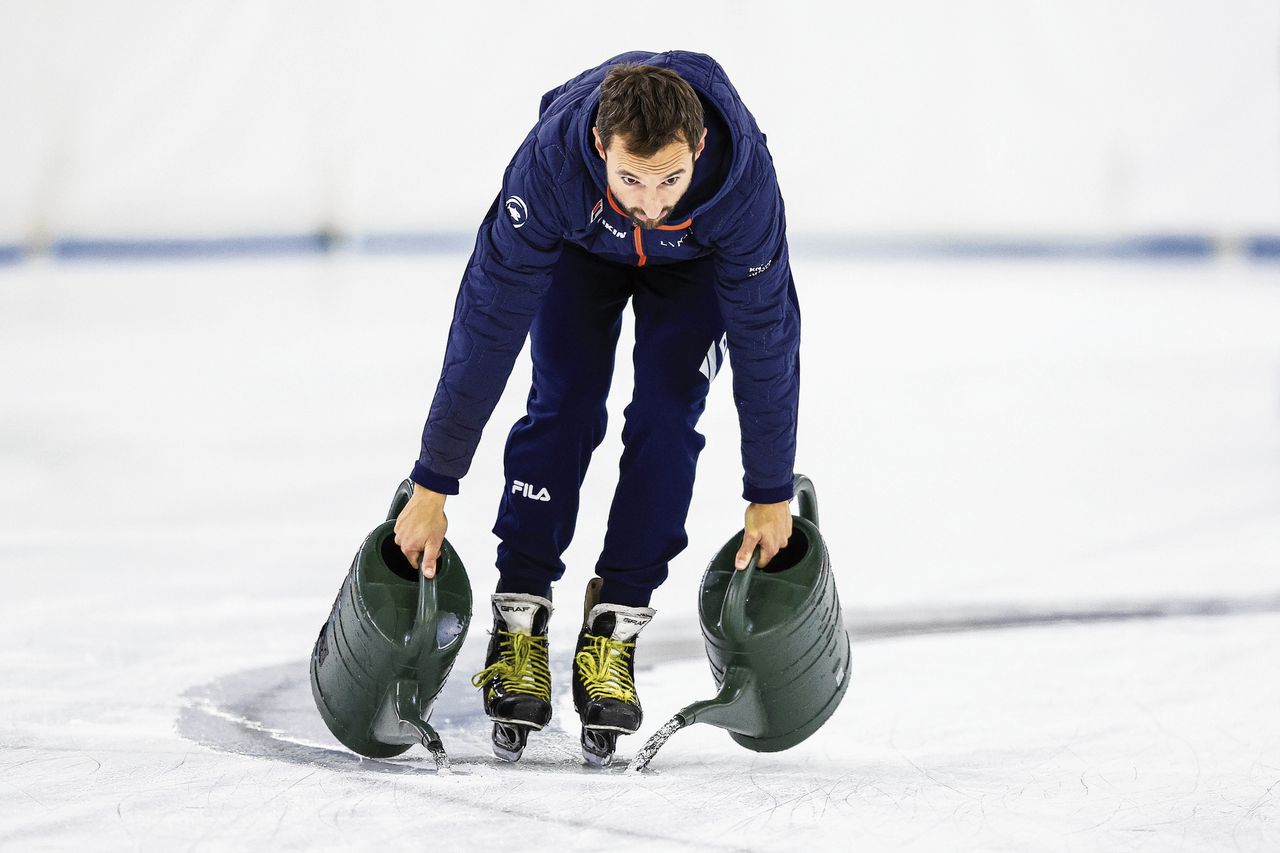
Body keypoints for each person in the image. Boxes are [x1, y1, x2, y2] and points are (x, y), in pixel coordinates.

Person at [393, 50, 801, 766]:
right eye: (632, 179)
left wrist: (769, 490)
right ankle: (520, 614)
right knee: (565, 399)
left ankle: (615, 627)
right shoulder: (549, 170)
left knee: (668, 414)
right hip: (580, 252)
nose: (651, 201)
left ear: (699, 146)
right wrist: (433, 483)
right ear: (598, 149)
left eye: (671, 178)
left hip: (693, 269)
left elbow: (767, 338)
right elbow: (485, 328)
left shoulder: (743, 189)